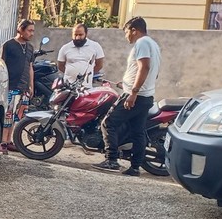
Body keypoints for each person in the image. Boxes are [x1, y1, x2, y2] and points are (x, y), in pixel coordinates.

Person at [92, 17, 161, 176]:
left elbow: (144, 67)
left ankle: (111, 160)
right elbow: (153, 73)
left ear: (134, 30)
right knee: (137, 131)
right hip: (146, 96)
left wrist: (133, 92)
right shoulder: (154, 45)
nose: (126, 36)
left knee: (108, 123)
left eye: (126, 32)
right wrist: (127, 83)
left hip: (136, 96)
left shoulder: (142, 43)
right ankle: (135, 167)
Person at [0, 19, 35, 154]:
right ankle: (2, 142)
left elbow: (31, 67)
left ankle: (9, 141)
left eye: (33, 31)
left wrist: (31, 85)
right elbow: (1, 65)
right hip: (11, 86)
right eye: (29, 30)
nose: (31, 34)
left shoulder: (30, 48)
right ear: (21, 29)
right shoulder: (8, 45)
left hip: (24, 87)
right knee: (8, 114)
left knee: (16, 115)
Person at [57, 23, 105, 89]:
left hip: (86, 87)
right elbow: (60, 65)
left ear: (86, 34)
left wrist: (87, 73)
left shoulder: (95, 46)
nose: (77, 37)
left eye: (80, 35)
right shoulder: (65, 48)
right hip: (68, 86)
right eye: (75, 35)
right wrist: (71, 73)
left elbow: (99, 65)